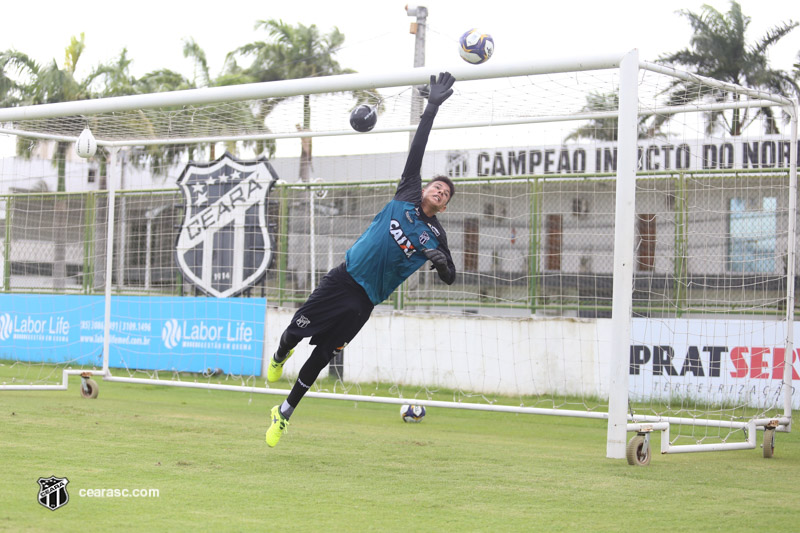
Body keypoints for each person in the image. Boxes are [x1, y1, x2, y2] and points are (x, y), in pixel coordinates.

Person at [265, 72, 457, 447]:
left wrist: (441, 262)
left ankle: (284, 414)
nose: (439, 190)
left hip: (365, 301)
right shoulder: (405, 195)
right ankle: (278, 355)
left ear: (446, 206)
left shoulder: (436, 236)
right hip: (344, 279)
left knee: (322, 356)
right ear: (425, 188)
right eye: (437, 185)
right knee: (295, 331)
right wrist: (430, 107)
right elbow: (417, 148)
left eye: (446, 193)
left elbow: (451, 277)